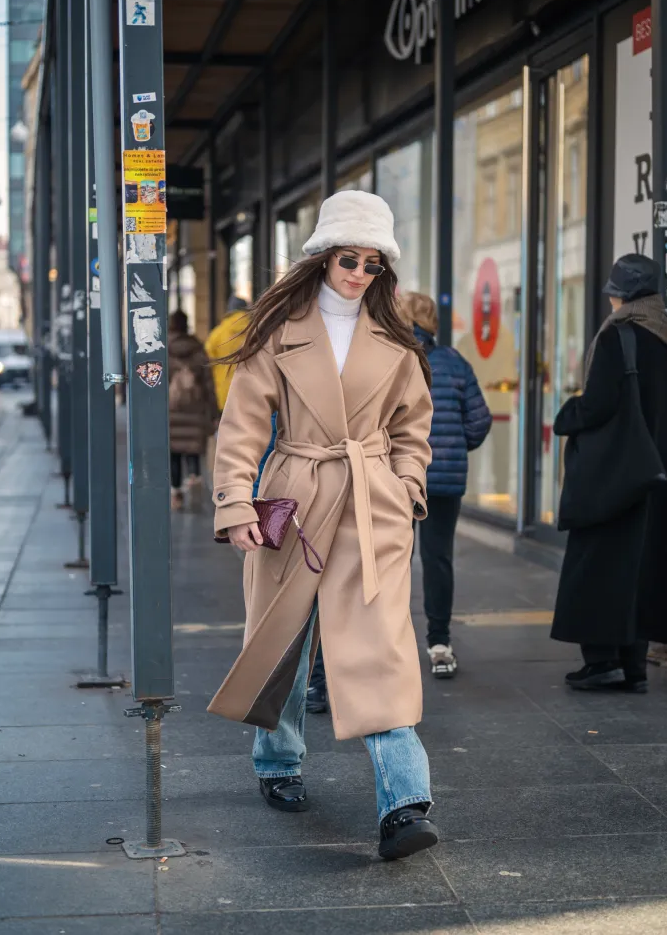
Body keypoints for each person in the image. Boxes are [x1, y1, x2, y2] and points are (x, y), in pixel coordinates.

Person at [210, 190, 439, 860]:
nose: (358, 273)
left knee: (381, 650)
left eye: (373, 263)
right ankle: (277, 762)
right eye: (348, 258)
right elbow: (243, 425)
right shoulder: (279, 329)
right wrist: (234, 503)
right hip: (297, 499)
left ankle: (405, 803)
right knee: (285, 641)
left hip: (372, 508)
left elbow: (412, 429)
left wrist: (406, 490)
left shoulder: (395, 338)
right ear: (322, 255)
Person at [552, 254, 667, 691]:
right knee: (644, 567)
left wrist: (566, 416)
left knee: (598, 562)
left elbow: (597, 405)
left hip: (617, 474)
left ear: (621, 294)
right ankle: (633, 668)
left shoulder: (620, 336)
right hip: (660, 471)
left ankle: (601, 661)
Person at [400, 291, 492, 678]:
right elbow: (480, 419)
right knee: (438, 559)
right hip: (444, 480)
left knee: (393, 561)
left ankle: (392, 642)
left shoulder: (395, 360)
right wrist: (454, 447)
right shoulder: (456, 363)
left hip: (399, 479)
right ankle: (439, 642)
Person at [168, 309, 218, 511]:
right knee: (192, 448)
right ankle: (194, 478)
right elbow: (208, 385)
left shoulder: (163, 349)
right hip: (195, 410)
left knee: (174, 453)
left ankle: (176, 492)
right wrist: (213, 412)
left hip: (171, 410)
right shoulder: (199, 350)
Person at [205, 294, 250, 412]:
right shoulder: (255, 330)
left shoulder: (217, 334)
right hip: (249, 392)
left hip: (224, 393)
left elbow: (207, 360)